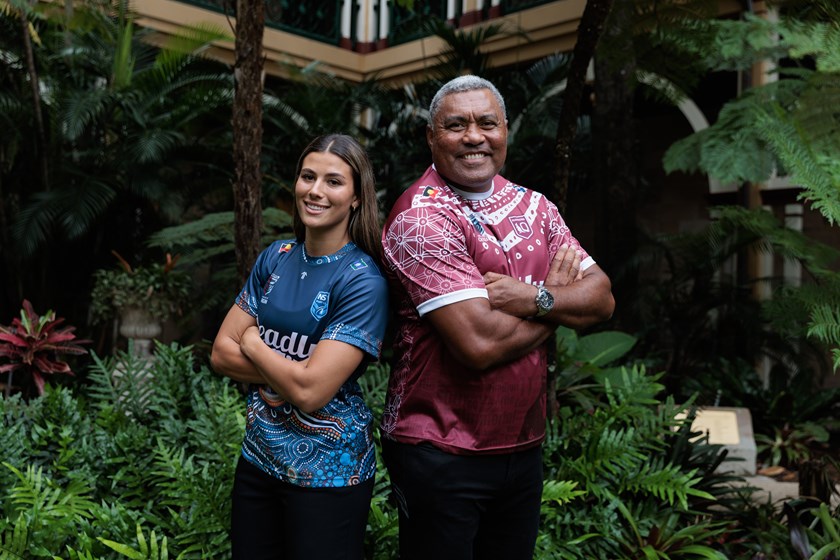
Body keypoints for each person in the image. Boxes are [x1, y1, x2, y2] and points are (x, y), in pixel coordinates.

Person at [379, 75, 615, 560]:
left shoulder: (536, 206)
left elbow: (603, 299)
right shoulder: (421, 218)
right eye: (456, 125)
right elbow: (479, 345)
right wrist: (560, 298)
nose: (474, 136)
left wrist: (533, 297)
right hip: (439, 448)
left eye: (487, 123)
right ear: (431, 137)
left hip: (521, 446)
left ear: (505, 131)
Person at [210, 133, 388, 560]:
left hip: (329, 473)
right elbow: (219, 353)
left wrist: (251, 341)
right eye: (308, 177)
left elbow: (313, 393)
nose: (315, 191)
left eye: (333, 181)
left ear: (357, 197)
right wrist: (298, 371)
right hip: (258, 458)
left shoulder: (363, 281)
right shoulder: (276, 257)